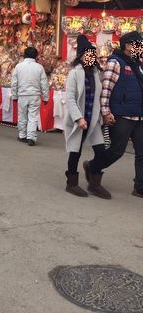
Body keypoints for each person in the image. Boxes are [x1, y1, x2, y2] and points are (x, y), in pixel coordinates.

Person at [84, 30, 143, 198]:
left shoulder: (138, 64)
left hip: (139, 115)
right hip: (122, 114)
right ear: (128, 45)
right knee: (117, 151)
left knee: (142, 152)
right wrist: (105, 112)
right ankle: (93, 167)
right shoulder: (115, 62)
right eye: (138, 44)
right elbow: (106, 89)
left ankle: (140, 187)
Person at [64, 35, 107, 197]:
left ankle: (94, 182)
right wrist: (78, 117)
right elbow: (70, 98)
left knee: (101, 151)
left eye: (92, 54)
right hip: (80, 120)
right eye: (87, 54)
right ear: (81, 56)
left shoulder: (96, 73)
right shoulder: (75, 73)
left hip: (93, 119)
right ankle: (71, 183)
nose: (91, 57)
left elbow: (99, 97)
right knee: (75, 151)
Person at [11, 46, 49, 146]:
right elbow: (44, 83)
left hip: (22, 95)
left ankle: (22, 135)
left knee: (22, 116)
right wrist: (45, 97)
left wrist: (14, 96)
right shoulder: (39, 67)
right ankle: (31, 137)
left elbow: (14, 83)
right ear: (36, 56)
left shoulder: (19, 66)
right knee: (33, 116)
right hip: (35, 95)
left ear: (24, 55)